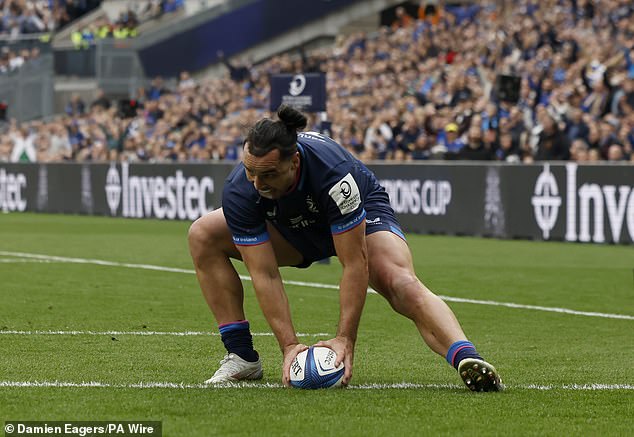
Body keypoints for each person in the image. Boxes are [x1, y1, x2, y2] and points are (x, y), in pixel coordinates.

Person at [188, 105, 504, 391]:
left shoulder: (334, 175)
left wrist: (344, 340)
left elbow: (354, 263)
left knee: (397, 280)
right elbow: (264, 274)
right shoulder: (241, 190)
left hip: (359, 213)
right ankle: (242, 356)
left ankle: (466, 356)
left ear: (294, 161)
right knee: (203, 233)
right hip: (294, 227)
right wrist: (289, 347)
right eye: (250, 171)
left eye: (269, 174)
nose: (257, 183)